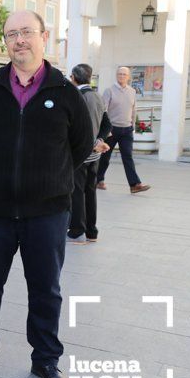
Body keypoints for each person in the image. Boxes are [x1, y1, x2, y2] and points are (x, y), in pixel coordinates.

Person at [0, 10, 93, 378]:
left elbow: (80, 145)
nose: (19, 40)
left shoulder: (65, 93)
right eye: (11, 34)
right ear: (5, 41)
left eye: (27, 33)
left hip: (47, 211)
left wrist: (47, 177)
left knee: (46, 289)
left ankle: (46, 361)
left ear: (44, 36)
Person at [68, 64, 111, 244]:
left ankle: (77, 230)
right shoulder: (98, 96)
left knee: (77, 192)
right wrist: (100, 141)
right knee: (90, 191)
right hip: (95, 155)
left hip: (80, 153)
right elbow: (107, 124)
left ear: (74, 78)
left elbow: (75, 128)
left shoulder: (76, 97)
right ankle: (91, 232)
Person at [96, 66, 151, 193]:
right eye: (119, 74)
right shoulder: (109, 91)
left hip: (127, 130)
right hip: (112, 130)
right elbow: (103, 111)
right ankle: (99, 180)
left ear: (128, 77)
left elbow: (133, 109)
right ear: (116, 75)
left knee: (128, 157)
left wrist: (133, 126)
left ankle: (134, 185)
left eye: (124, 74)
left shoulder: (132, 91)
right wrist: (105, 130)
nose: (121, 76)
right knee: (105, 157)